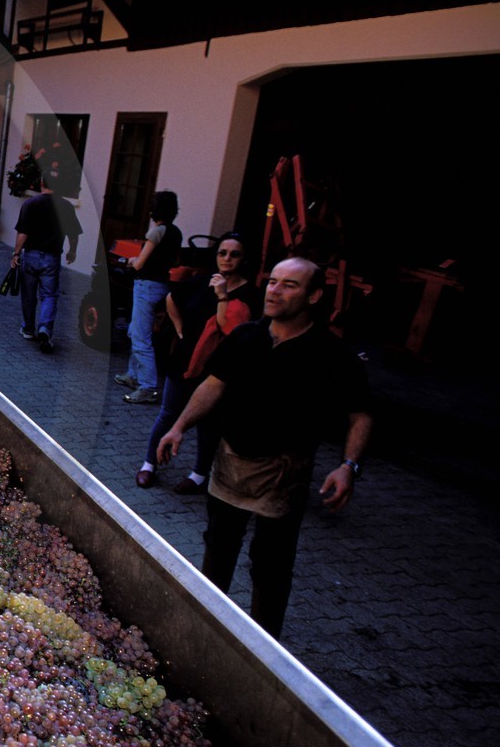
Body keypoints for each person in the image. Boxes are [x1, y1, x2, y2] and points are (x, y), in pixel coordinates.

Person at [157, 257, 371, 639]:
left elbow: (361, 414)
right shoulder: (246, 337)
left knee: (271, 566)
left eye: (290, 284)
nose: (275, 290)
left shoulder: (331, 354)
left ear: (314, 295)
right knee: (218, 549)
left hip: (283, 475)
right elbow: (213, 385)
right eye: (273, 281)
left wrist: (348, 466)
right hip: (230, 465)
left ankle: (265, 647)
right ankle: (204, 627)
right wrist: (178, 427)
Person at [136, 233, 259, 490]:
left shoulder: (250, 295)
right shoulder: (202, 281)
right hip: (184, 361)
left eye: (234, 254)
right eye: (222, 253)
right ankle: (149, 464)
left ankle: (199, 475)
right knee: (168, 412)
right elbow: (172, 298)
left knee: (209, 422)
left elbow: (229, 328)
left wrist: (223, 295)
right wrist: (180, 331)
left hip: (217, 371)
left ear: (244, 259)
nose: (226, 259)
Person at [116, 191, 183, 404]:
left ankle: (148, 387)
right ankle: (132, 375)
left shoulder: (156, 233)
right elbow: (173, 261)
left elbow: (140, 263)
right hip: (162, 285)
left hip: (146, 286)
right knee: (136, 329)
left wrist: (131, 260)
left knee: (140, 337)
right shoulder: (176, 233)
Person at [10, 168, 82, 354]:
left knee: (28, 294)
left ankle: (28, 329)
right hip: (52, 257)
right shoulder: (66, 206)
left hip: (31, 255)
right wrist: (72, 251)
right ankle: (45, 329)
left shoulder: (30, 204)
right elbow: (73, 234)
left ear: (41, 183)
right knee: (49, 295)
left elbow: (23, 233)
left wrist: (16, 254)